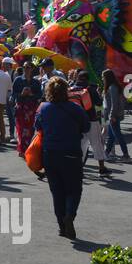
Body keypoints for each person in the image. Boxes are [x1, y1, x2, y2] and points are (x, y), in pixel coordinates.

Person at [34, 77, 89, 239]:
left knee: (57, 192)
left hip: (50, 154)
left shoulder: (43, 108)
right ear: (66, 91)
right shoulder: (75, 108)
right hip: (71, 153)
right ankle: (70, 216)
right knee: (74, 189)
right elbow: (86, 127)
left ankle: (61, 226)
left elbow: (37, 127)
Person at [101, 68, 131, 161]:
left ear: (107, 77)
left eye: (103, 77)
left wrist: (112, 115)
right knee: (112, 135)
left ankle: (126, 155)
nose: (102, 79)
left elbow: (115, 103)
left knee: (117, 135)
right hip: (112, 115)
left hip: (113, 115)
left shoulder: (112, 87)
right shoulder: (113, 87)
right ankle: (106, 153)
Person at [14, 67, 41, 158]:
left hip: (31, 108)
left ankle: (28, 148)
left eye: (29, 68)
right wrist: (21, 94)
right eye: (25, 68)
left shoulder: (36, 82)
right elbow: (13, 94)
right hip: (21, 107)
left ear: (31, 70)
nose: (27, 70)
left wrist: (31, 94)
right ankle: (21, 149)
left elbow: (39, 94)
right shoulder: (18, 80)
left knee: (30, 129)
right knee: (20, 129)